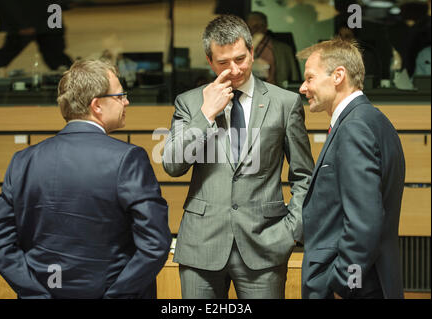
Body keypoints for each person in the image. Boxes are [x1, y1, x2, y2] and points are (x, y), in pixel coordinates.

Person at [0, 59, 172, 299]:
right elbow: (155, 244)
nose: (127, 101)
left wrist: (36, 294)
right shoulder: (128, 158)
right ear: (97, 105)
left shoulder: (23, 161)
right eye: (120, 95)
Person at [162, 15, 314, 299]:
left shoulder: (285, 103)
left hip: (265, 245)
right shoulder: (190, 102)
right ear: (209, 61)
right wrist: (206, 113)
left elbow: (304, 175)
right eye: (223, 63)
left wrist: (292, 230)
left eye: (241, 59)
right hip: (201, 246)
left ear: (252, 52)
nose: (234, 69)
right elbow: (172, 164)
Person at [297, 38, 405, 299]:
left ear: (338, 76)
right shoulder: (371, 120)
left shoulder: (355, 127)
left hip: (358, 288)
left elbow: (364, 220)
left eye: (310, 78)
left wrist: (343, 283)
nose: (303, 88)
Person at [0, 0, 72, 73]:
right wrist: (20, 23)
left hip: (49, 13)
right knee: (9, 50)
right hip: (27, 15)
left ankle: (75, 79)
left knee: (56, 54)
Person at [246, 11, 300, 87]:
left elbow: (295, 78)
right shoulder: (241, 48)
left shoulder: (284, 49)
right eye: (252, 27)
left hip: (276, 91)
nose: (256, 29)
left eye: (259, 26)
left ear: (265, 27)